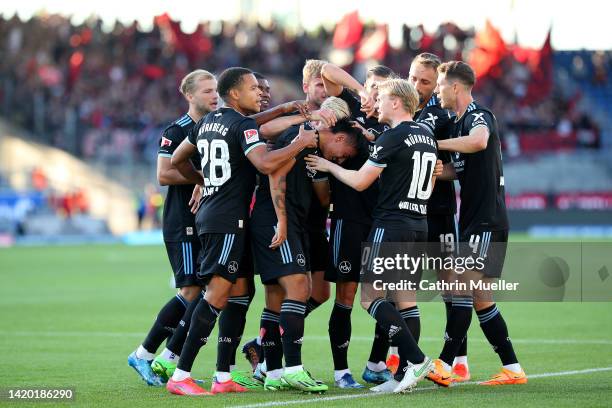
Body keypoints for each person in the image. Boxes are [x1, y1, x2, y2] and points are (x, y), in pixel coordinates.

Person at [166, 67, 318, 396]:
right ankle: (180, 374)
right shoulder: (242, 124)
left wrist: (204, 180)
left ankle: (223, 377)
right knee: (216, 296)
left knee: (239, 294)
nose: (258, 93)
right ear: (235, 94)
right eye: (252, 88)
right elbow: (265, 164)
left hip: (215, 216)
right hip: (226, 221)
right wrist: (301, 143)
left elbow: (178, 159)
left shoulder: (207, 122)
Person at [305, 78, 437, 393]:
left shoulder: (393, 136)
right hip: (418, 224)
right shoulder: (427, 136)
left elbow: (362, 181)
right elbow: (430, 181)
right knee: (406, 301)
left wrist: (327, 165)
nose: (376, 103)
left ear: (397, 102)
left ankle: (415, 360)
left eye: (382, 99)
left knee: (370, 298)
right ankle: (405, 375)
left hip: (390, 225)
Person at [427, 61, 526, 387]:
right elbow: (465, 166)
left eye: (440, 84)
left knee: (460, 289)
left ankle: (445, 364)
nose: (437, 90)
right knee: (482, 299)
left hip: (487, 220)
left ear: (456, 87)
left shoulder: (477, 116)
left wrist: (435, 145)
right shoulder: (456, 124)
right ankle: (512, 368)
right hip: (474, 220)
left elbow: (479, 141)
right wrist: (443, 172)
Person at [127, 69, 217, 386]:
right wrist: (203, 179)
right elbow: (164, 174)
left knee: (206, 291)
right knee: (191, 290)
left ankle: (168, 358)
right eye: (206, 90)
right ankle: (145, 353)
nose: (214, 95)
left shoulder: (217, 128)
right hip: (183, 222)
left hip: (207, 221)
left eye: (215, 89)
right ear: (189, 95)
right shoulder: (177, 130)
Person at [320, 63, 399, 387]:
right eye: (372, 86)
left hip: (381, 219)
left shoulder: (394, 121)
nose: (376, 93)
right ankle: (341, 372)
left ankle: (375, 363)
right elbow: (327, 70)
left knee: (390, 295)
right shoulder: (350, 108)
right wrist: (360, 91)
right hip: (349, 218)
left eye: (383, 88)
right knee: (347, 295)